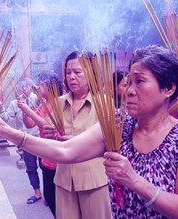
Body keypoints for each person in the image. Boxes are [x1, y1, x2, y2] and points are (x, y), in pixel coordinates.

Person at [0, 45, 178, 218]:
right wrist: (9, 132)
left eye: (139, 82)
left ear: (168, 88)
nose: (129, 91)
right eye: (128, 82)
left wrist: (133, 180)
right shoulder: (121, 126)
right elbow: (65, 151)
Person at [43, 51, 111, 219]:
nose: (71, 77)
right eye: (68, 72)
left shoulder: (104, 103)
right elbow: (56, 139)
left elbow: (111, 144)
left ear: (91, 73)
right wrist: (50, 134)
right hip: (64, 179)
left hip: (93, 180)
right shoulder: (59, 102)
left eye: (77, 72)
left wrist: (80, 144)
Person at [17, 71, 63, 217]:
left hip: (58, 159)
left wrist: (27, 111)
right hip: (47, 158)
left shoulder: (59, 103)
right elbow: (30, 124)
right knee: (49, 196)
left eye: (41, 84)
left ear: (51, 86)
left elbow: (48, 126)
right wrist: (25, 111)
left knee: (59, 201)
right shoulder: (42, 104)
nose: (37, 87)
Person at [0, 77, 43, 204]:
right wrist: (0, 108)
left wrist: (37, 88)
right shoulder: (15, 103)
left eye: (26, 86)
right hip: (26, 140)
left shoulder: (37, 98)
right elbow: (6, 119)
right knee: (31, 168)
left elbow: (46, 104)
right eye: (21, 87)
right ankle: (37, 192)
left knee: (45, 167)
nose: (23, 89)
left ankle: (49, 192)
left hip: (41, 138)